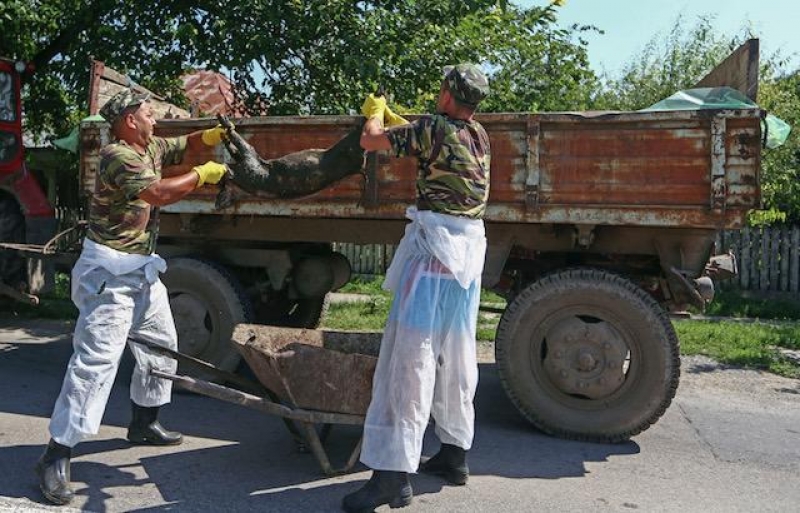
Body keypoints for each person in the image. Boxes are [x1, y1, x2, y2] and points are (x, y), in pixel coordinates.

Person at [35, 89, 229, 505]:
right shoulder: (118, 156)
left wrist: (209, 136)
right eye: (148, 114)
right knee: (96, 364)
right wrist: (203, 175)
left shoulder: (150, 143)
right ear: (128, 120)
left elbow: (183, 144)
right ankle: (56, 454)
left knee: (162, 346)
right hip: (109, 272)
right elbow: (157, 194)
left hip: (139, 269)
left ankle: (144, 422)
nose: (155, 120)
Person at [342, 64, 491, 512]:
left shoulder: (429, 128)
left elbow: (371, 142)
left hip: (432, 257)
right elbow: (431, 135)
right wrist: (406, 122)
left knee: (408, 361)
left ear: (448, 92)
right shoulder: (479, 135)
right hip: (467, 257)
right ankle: (453, 455)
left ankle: (392, 477)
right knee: (457, 356)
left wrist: (375, 114)